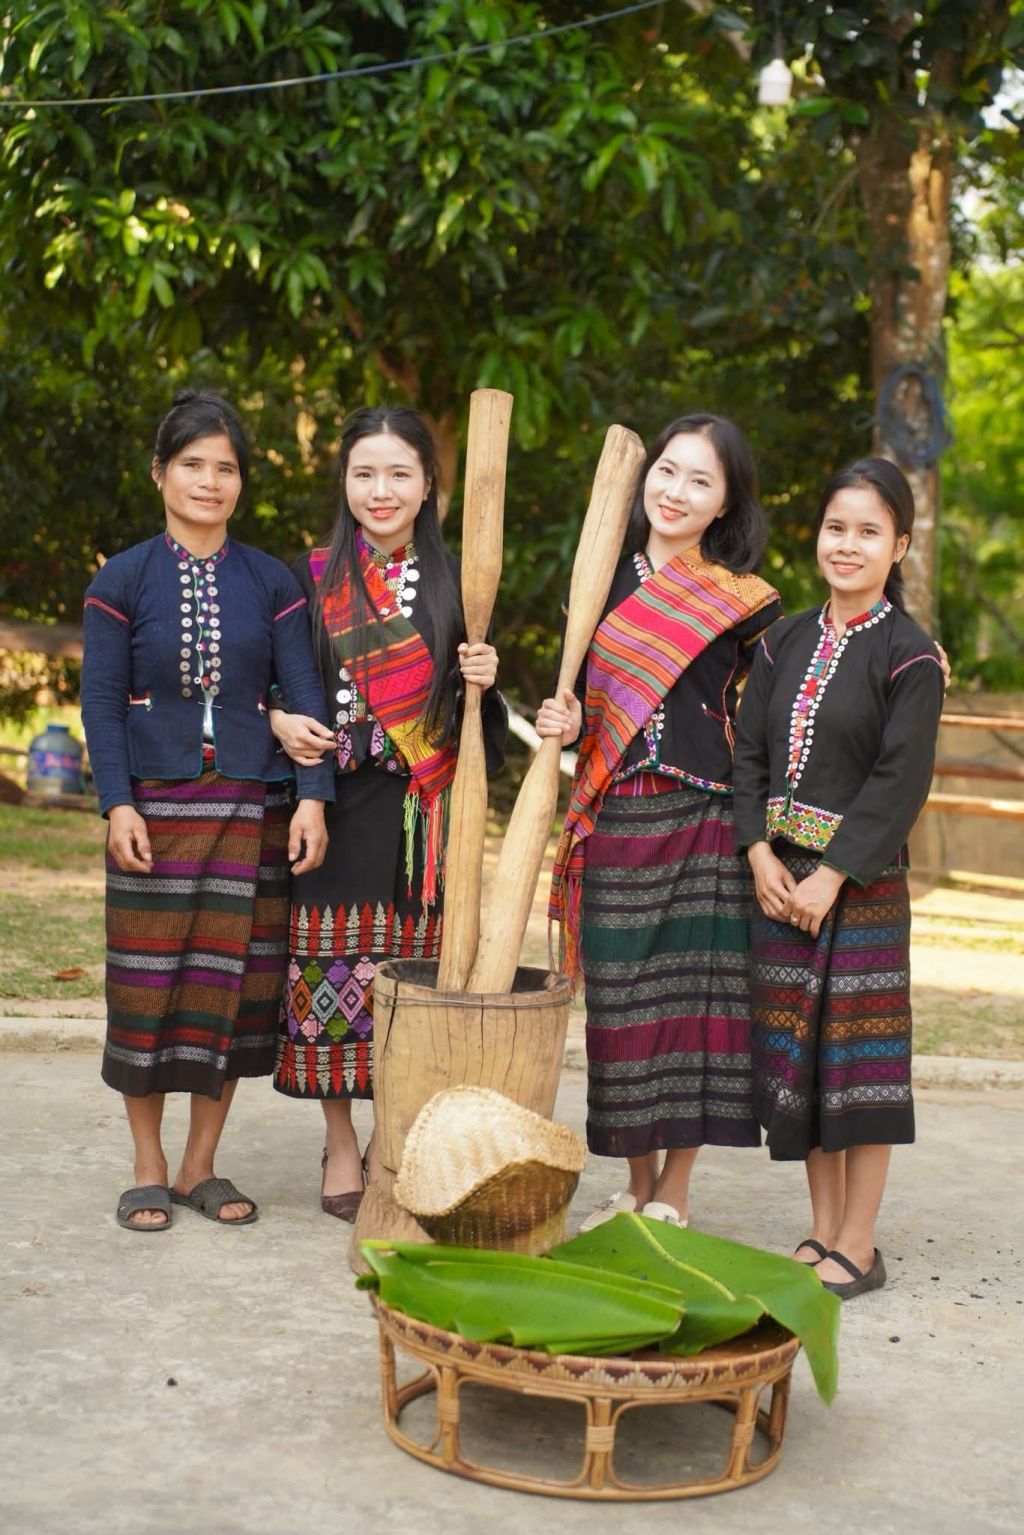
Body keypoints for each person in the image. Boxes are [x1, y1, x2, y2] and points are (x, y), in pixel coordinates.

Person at [81, 390, 334, 1231]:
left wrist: (313, 800)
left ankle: (200, 1165)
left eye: (225, 467)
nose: (209, 481)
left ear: (241, 482)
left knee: (229, 989)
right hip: (154, 805)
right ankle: (148, 1163)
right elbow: (103, 704)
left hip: (250, 806)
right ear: (161, 473)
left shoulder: (272, 581)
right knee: (149, 988)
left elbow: (303, 695)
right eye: (192, 464)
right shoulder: (122, 579)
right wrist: (117, 804)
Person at [536, 413, 781, 1229]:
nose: (676, 492)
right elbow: (579, 697)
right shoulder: (597, 578)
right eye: (668, 471)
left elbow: (763, 723)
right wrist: (564, 721)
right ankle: (637, 1184)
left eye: (700, 481)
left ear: (725, 504)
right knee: (620, 1005)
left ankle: (672, 1191)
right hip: (615, 814)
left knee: (697, 1011)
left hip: (706, 819)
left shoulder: (743, 601)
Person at [267, 405, 506, 1219]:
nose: (381, 489)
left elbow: (482, 727)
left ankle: (390, 1139)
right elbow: (274, 682)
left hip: (420, 818)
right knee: (328, 974)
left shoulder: (462, 579)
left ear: (429, 484)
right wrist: (274, 719)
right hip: (330, 808)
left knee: (407, 986)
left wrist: (485, 676)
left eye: (400, 473)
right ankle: (339, 1141)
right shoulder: (308, 578)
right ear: (344, 481)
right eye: (365, 472)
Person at [732, 456, 944, 1299]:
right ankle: (821, 1231)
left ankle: (860, 1241)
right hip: (779, 884)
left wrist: (835, 874)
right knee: (800, 1065)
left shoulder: (910, 657)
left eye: (868, 531)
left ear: (899, 545)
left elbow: (901, 780)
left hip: (861, 892)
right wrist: (758, 854)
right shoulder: (781, 641)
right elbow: (747, 754)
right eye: (835, 527)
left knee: (859, 1066)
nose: (846, 545)